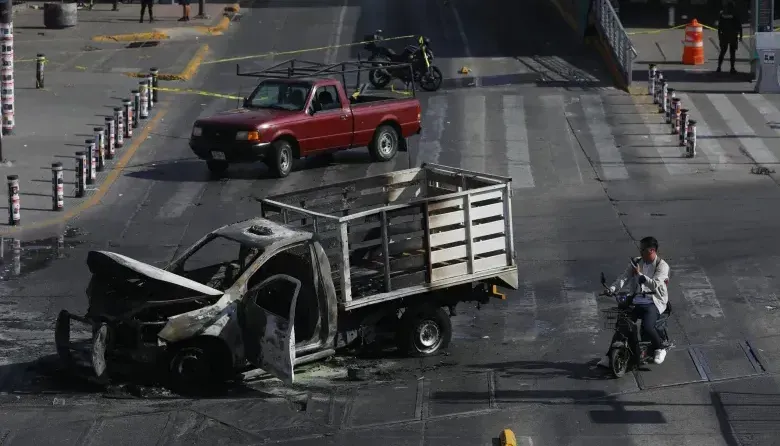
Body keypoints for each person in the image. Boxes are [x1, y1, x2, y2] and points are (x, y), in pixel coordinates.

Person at [597, 237, 671, 367]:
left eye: (643, 249)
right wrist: (612, 288)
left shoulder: (662, 266)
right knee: (622, 325)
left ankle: (660, 348)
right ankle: (609, 357)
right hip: (636, 301)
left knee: (648, 326)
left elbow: (654, 285)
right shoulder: (637, 261)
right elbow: (624, 277)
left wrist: (640, 275)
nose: (640, 252)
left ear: (652, 250)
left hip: (653, 302)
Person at [716, 1, 743, 74]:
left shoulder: (722, 14)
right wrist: (741, 36)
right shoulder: (735, 15)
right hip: (733, 36)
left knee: (722, 52)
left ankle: (719, 67)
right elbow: (739, 26)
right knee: (732, 52)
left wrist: (719, 36)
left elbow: (719, 27)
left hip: (724, 35)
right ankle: (732, 68)